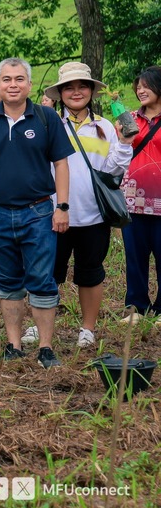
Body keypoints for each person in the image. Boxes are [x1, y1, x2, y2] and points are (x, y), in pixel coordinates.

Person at [0, 57, 74, 368]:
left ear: (29, 84)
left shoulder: (46, 118)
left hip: (38, 213)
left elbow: (61, 164)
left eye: (19, 79)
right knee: (8, 281)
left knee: (41, 279)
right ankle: (13, 344)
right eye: (7, 79)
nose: (13, 84)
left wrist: (62, 207)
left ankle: (46, 347)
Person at [32, 63, 131, 347]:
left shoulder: (104, 127)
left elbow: (112, 170)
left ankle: (87, 329)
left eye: (82, 86)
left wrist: (124, 143)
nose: (76, 92)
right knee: (47, 273)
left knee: (90, 272)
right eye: (69, 88)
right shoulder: (47, 124)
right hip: (52, 214)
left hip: (93, 215)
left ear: (91, 91)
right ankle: (40, 326)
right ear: (60, 93)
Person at [120, 65, 161, 322]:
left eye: (146, 85)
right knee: (134, 256)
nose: (140, 89)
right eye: (138, 86)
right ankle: (136, 306)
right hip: (133, 199)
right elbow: (119, 150)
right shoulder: (129, 118)